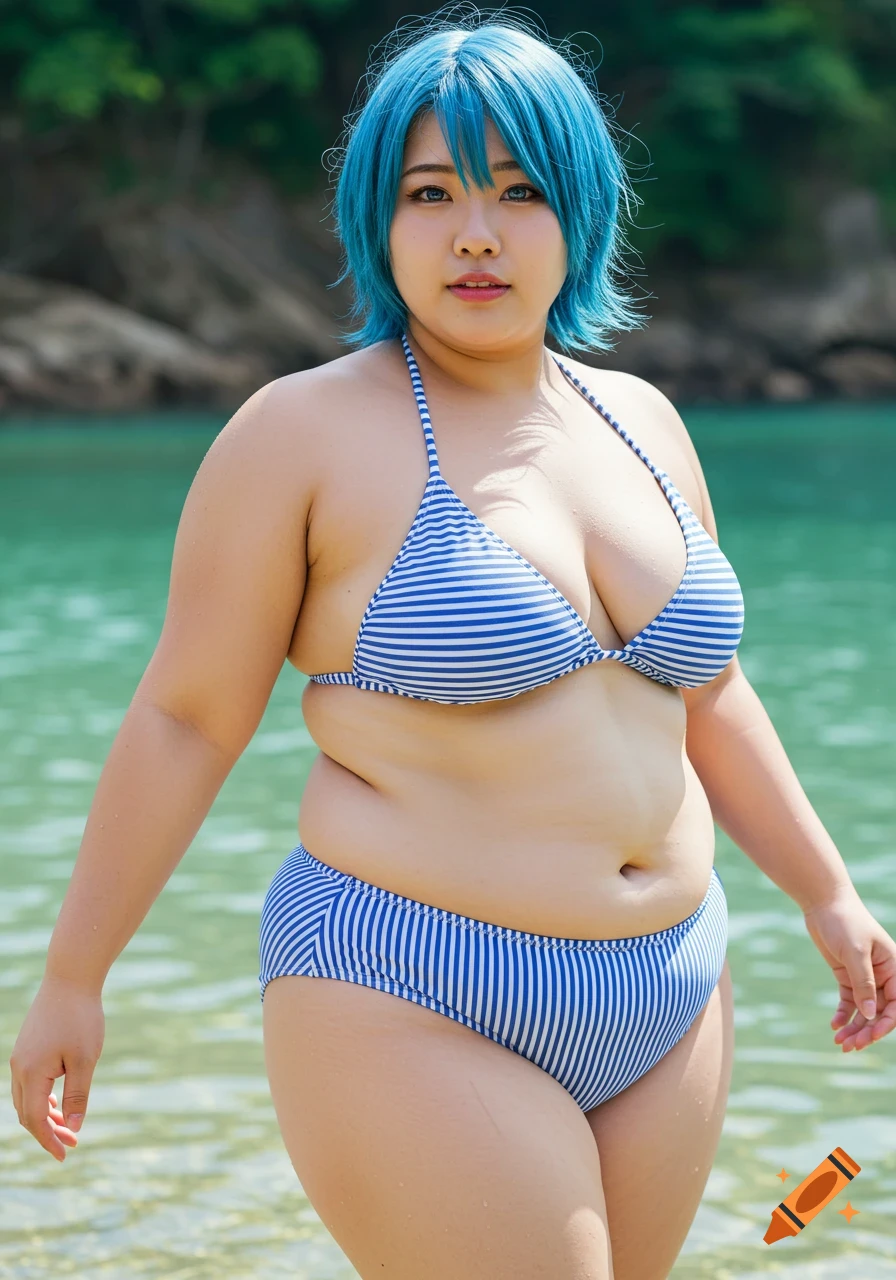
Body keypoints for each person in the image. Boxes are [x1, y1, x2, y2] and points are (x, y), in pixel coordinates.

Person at [10, 11, 896, 1280]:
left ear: (578, 213)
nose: (474, 231)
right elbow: (187, 718)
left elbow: (707, 689)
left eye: (518, 191)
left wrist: (824, 888)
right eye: (431, 192)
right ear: (379, 214)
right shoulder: (300, 434)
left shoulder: (640, 418)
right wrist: (73, 974)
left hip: (669, 985)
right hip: (410, 984)